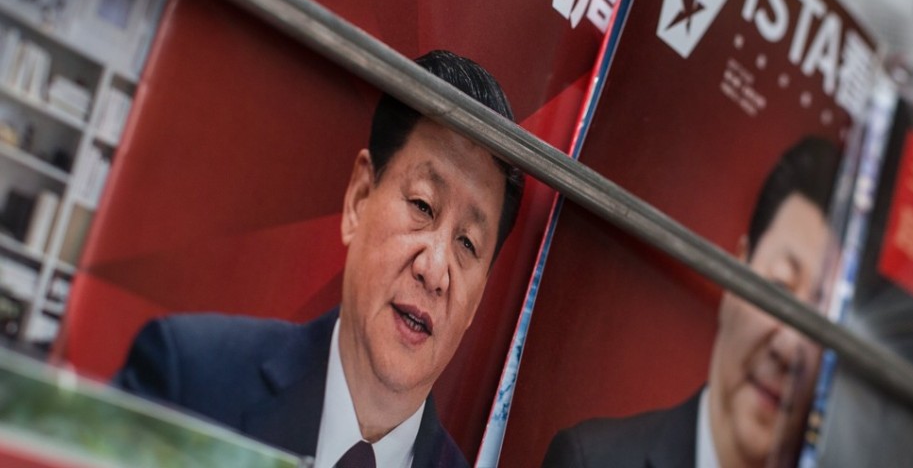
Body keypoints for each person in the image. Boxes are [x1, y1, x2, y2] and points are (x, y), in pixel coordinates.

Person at [114, 50, 524, 468]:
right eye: (422, 205)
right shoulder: (189, 380)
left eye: (468, 244)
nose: (434, 269)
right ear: (359, 198)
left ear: (478, 299)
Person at [542, 137, 841, 468]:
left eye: (821, 322)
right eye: (780, 289)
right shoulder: (593, 461)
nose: (788, 347)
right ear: (734, 274)